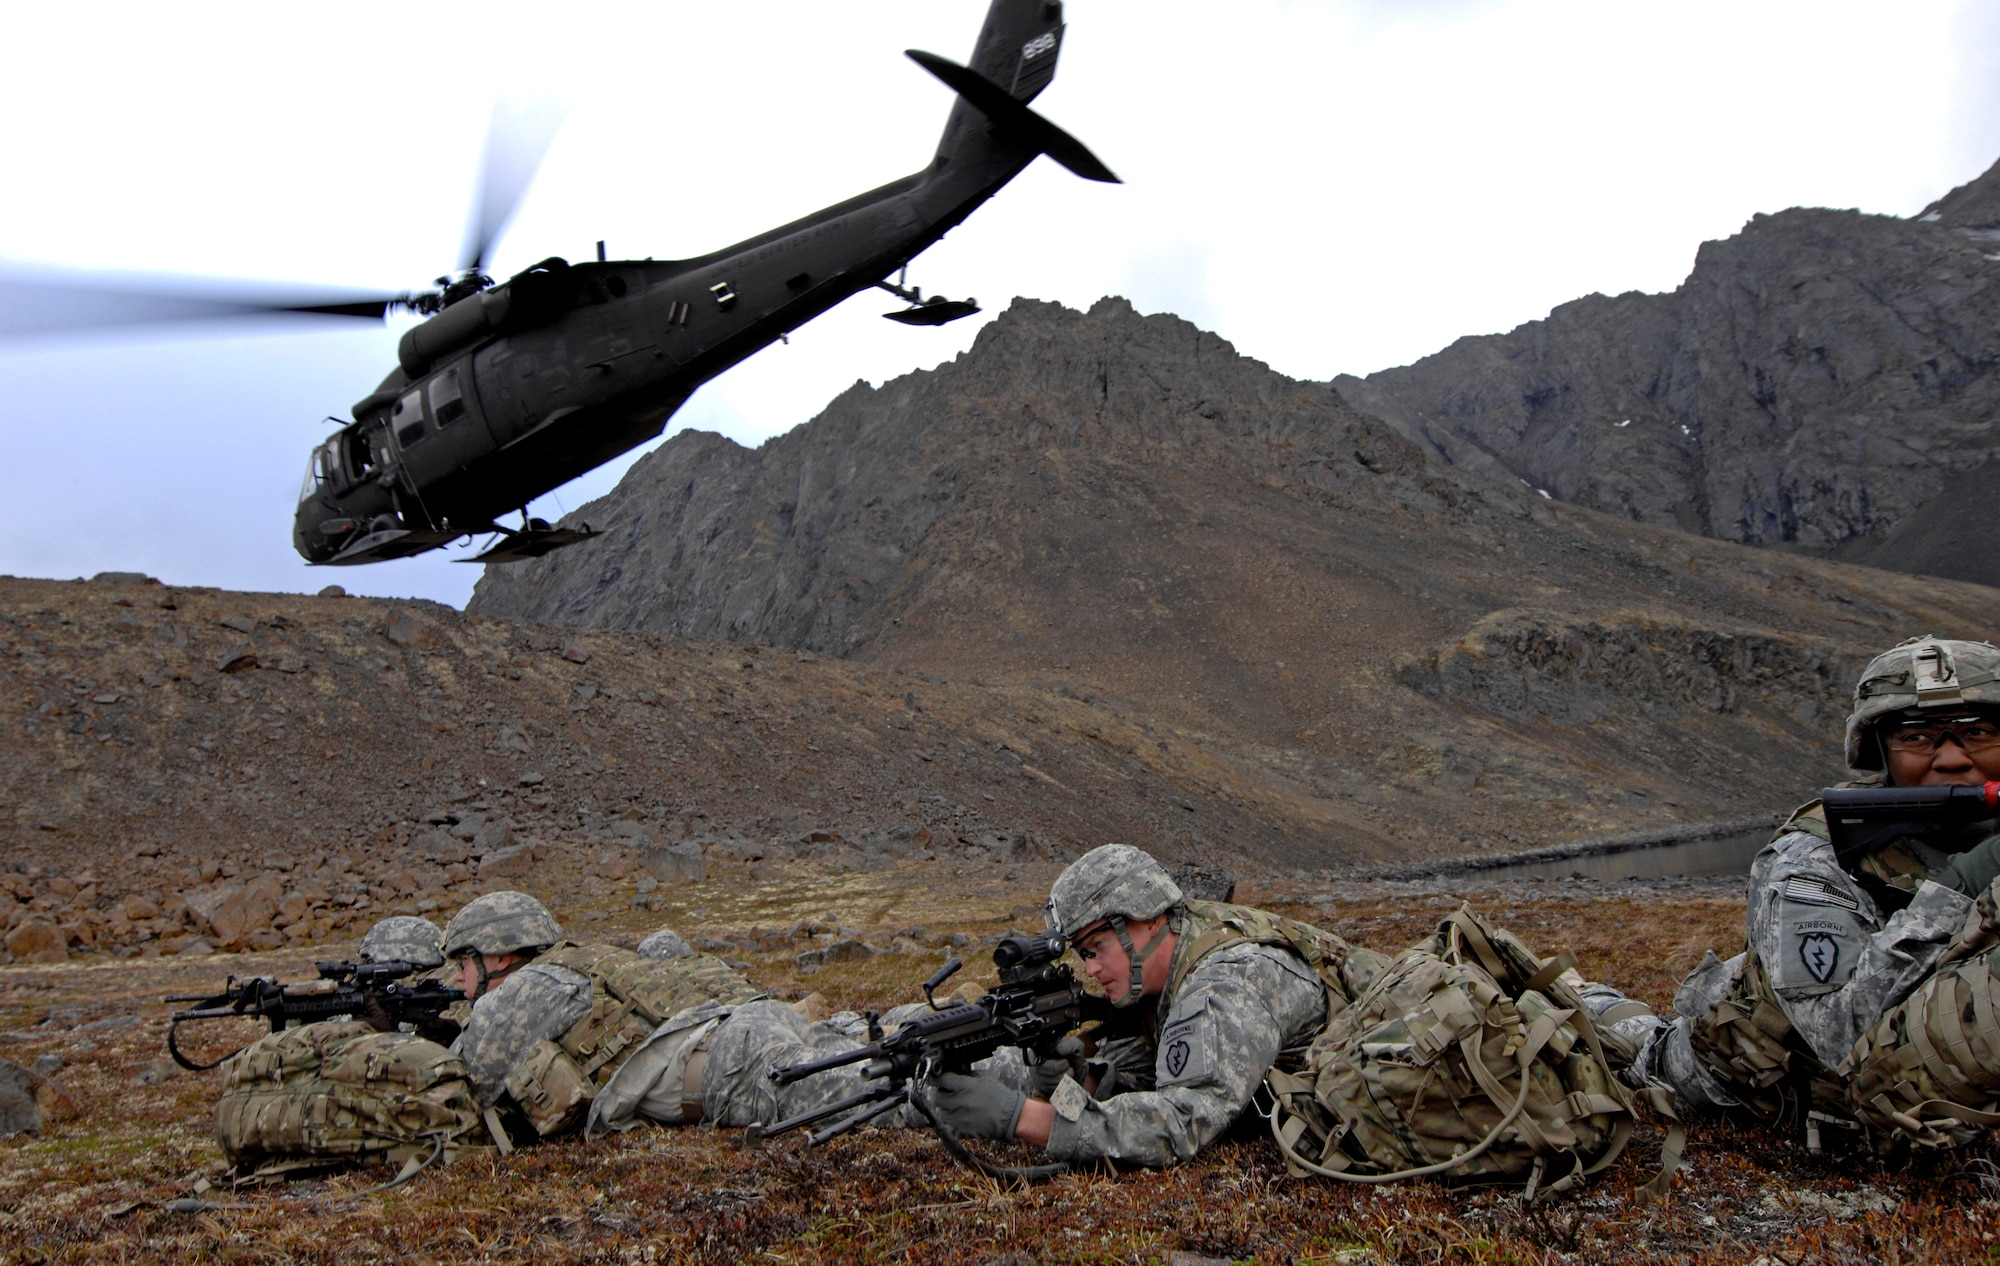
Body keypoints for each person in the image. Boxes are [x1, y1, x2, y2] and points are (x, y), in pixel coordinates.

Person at [1626, 635, 2000, 1142]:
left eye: (1978, 732)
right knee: (1611, 1041)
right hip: (1743, 1076)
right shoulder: (1815, 857)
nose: (1952, 758)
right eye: (1917, 737)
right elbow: (1837, 1037)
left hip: (1936, 1066)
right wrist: (1965, 885)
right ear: (1880, 751)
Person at [917, 844, 1391, 1168]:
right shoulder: (1177, 952)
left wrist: (1021, 1118)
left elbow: (1180, 1124)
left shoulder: (1226, 983)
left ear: (1146, 922)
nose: (1092, 970)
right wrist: (1082, 1083)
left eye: (1097, 947)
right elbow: (1158, 1073)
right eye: (1083, 955)